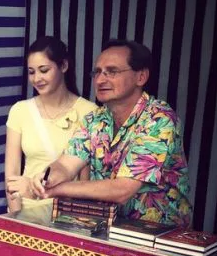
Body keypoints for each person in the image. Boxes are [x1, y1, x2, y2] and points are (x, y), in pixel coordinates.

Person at [27, 39, 192, 226]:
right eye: (97, 72)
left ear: (141, 77)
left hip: (160, 234)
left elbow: (122, 189)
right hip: (107, 229)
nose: (100, 80)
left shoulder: (159, 119)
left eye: (112, 72)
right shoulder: (94, 120)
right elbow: (66, 165)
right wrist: (47, 179)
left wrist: (57, 190)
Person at [4, 37, 97, 213]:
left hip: (68, 212)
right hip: (26, 207)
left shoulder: (90, 112)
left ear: (64, 66)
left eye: (44, 70)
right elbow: (12, 174)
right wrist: (16, 216)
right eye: (31, 72)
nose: (37, 78)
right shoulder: (19, 110)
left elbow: (86, 180)